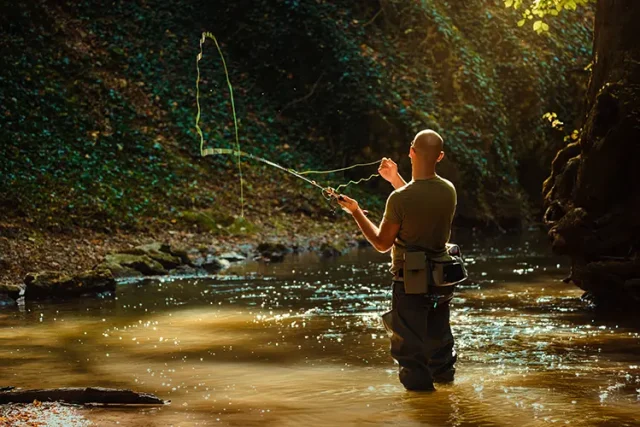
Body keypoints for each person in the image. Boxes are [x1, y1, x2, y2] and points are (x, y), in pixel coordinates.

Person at [336, 129, 458, 391]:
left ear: (411, 152)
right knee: (440, 351)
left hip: (411, 285)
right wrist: (395, 179)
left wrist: (356, 211)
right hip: (442, 281)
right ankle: (447, 404)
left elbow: (381, 243)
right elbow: (418, 198)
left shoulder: (399, 199)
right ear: (440, 157)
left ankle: (424, 411)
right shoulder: (448, 190)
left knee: (412, 359)